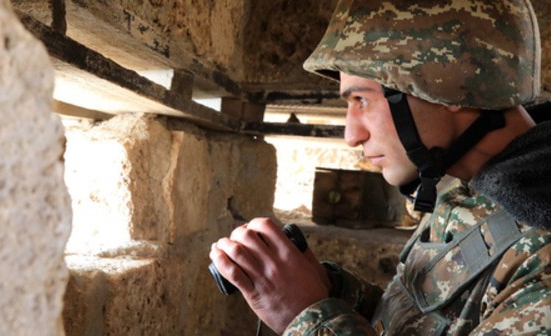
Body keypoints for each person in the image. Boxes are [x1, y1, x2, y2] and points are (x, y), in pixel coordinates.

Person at [209, 0, 551, 334]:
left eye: (362, 100)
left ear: (452, 88)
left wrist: (307, 318)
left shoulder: (542, 260)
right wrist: (329, 291)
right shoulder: (471, 186)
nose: (351, 136)